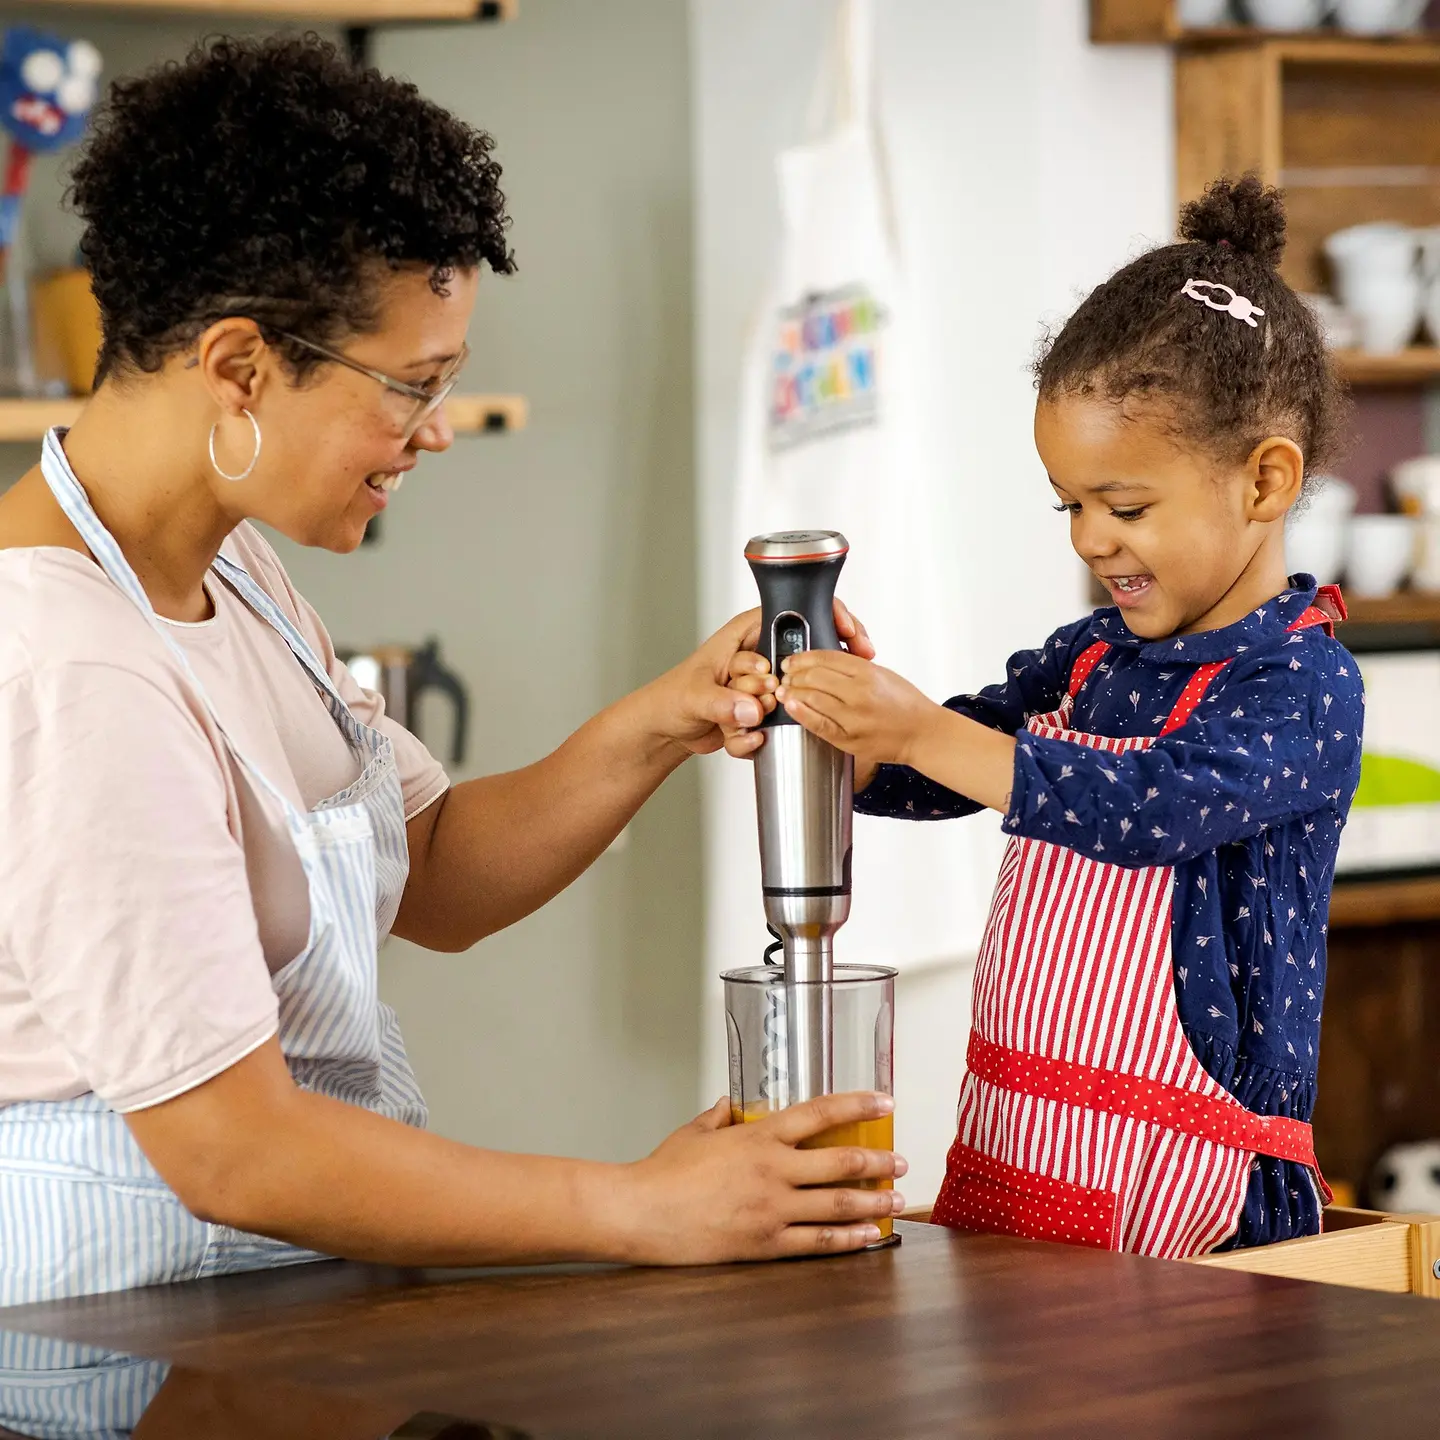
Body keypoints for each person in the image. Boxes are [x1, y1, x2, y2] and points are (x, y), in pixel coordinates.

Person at [0, 34, 905, 1308]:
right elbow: (235, 1152)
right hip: (113, 1347)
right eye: (409, 387)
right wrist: (638, 1208)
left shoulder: (234, 573)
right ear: (241, 369)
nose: (432, 433)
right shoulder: (61, 663)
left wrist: (667, 719)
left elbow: (435, 874)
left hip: (267, 1314)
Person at [728, 176, 1363, 1257]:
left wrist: (922, 731)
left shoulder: (1300, 688)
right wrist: (845, 738)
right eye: (1069, 504)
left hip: (1198, 1201)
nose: (1088, 540)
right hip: (1022, 1153)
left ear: (1265, 483)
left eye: (1124, 508)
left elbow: (1148, 806)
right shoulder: (1094, 659)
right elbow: (963, 757)